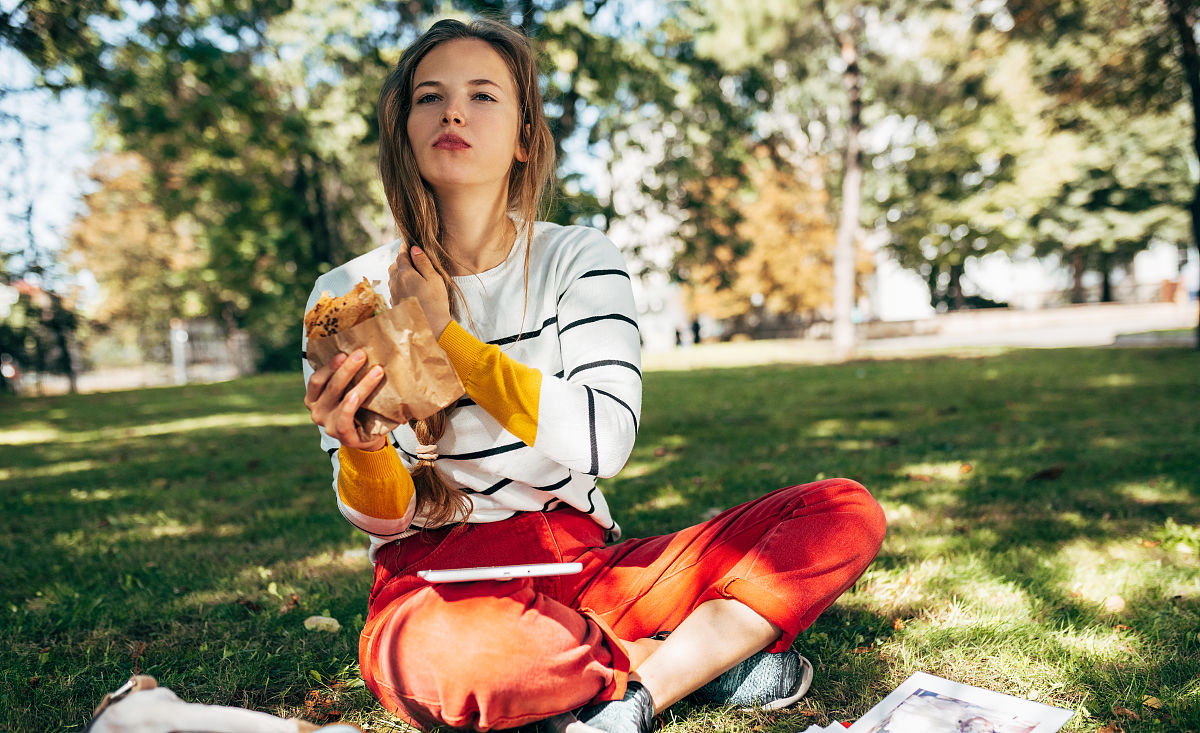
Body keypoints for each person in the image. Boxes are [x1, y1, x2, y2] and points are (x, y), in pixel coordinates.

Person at [301, 17, 886, 733]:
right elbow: (382, 517)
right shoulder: (346, 292)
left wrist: (448, 339)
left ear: (524, 136)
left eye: (483, 95)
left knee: (842, 512)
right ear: (404, 129)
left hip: (588, 572)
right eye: (429, 97)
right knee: (470, 656)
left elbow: (603, 442)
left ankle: (625, 693)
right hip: (433, 586)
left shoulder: (578, 259)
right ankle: (697, 661)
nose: (452, 111)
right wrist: (360, 449)